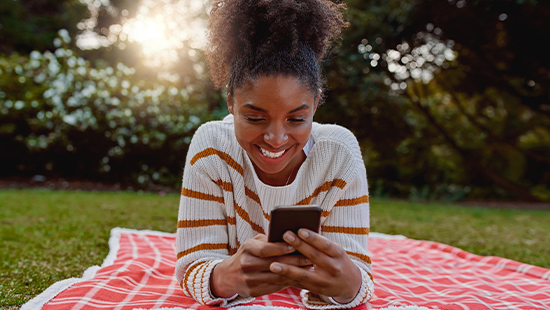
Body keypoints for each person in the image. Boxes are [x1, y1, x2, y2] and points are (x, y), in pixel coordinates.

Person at [175, 0, 373, 308]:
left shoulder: (339, 154)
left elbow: (357, 274)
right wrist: (224, 277)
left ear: (316, 104)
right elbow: (193, 265)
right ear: (230, 100)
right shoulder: (212, 147)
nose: (276, 139)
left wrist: (349, 286)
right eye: (255, 118)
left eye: (296, 119)